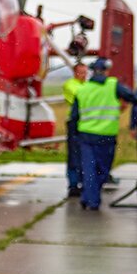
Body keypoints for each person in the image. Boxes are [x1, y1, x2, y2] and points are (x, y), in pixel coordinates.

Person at [73, 57, 137, 211]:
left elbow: (74, 116)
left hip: (86, 136)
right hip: (106, 137)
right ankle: (93, 202)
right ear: (106, 71)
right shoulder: (113, 85)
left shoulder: (82, 89)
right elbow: (131, 97)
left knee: (89, 170)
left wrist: (74, 135)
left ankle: (88, 197)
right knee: (103, 171)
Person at [62, 61, 88, 197]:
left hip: (87, 122)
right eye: (81, 72)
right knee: (73, 154)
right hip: (74, 122)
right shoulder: (70, 84)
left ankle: (84, 181)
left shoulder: (87, 85)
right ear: (75, 73)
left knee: (85, 153)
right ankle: (73, 184)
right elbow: (80, 95)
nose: (84, 75)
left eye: (85, 72)